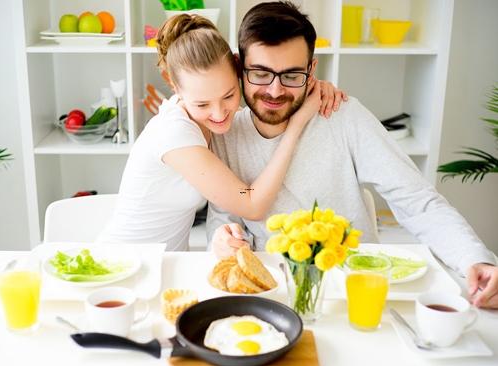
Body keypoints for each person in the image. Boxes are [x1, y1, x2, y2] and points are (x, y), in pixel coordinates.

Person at [206, 1, 498, 309]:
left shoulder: (342, 115)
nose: (276, 91)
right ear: (240, 67)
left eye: (292, 75)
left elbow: (417, 200)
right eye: (261, 74)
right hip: (274, 292)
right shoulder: (227, 134)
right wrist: (223, 238)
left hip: (355, 289)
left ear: (311, 69)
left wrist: (473, 258)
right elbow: (222, 219)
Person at [98, 14, 345, 251]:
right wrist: (297, 125)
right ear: (176, 88)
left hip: (165, 264)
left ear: (238, 68)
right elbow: (251, 203)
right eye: (202, 104)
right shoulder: (175, 134)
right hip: (123, 263)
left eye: (228, 96)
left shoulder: (210, 120)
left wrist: (309, 84)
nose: (219, 113)